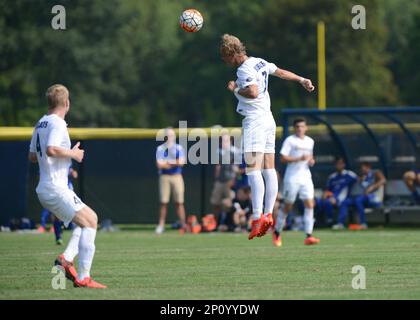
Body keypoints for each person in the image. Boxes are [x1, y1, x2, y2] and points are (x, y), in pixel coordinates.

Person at [220, 34, 315, 240]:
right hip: (268, 120)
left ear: (231, 54)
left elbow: (252, 92)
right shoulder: (259, 62)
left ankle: (256, 218)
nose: (224, 61)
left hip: (254, 120)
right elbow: (280, 73)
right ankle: (268, 214)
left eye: (224, 57)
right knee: (268, 168)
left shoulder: (243, 69)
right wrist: (301, 79)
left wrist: (235, 88)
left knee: (253, 170)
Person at [28, 84, 106, 288]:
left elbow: (33, 156)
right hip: (55, 187)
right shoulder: (58, 123)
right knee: (92, 220)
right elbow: (52, 149)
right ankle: (83, 277)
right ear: (67, 103)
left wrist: (62, 154)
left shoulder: (40, 123)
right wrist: (73, 154)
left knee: (85, 222)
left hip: (46, 187)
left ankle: (66, 258)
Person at [273, 118, 320, 247]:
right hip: (292, 178)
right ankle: (277, 232)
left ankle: (308, 236)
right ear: (294, 128)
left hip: (306, 177)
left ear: (306, 128)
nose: (300, 128)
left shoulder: (310, 141)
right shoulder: (290, 140)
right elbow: (282, 158)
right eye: (298, 126)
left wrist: (311, 161)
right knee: (287, 206)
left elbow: (310, 157)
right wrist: (298, 158)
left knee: (310, 204)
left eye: (302, 126)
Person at [333, 162, 386, 230]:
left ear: (368, 167)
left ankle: (363, 223)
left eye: (363, 168)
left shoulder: (375, 172)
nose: (362, 170)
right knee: (345, 202)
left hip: (374, 198)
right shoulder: (362, 177)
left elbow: (383, 180)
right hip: (362, 198)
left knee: (358, 200)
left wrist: (372, 188)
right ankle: (340, 223)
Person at [155, 128, 187, 234]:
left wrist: (168, 163)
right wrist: (174, 162)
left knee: (179, 202)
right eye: (168, 135)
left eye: (172, 135)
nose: (170, 137)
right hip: (165, 177)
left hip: (177, 176)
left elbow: (181, 162)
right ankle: (161, 225)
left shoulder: (179, 148)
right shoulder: (161, 148)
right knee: (163, 202)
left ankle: (183, 225)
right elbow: (159, 164)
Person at [38, 165, 78, 245]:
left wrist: (73, 173)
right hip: (56, 190)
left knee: (75, 211)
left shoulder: (65, 163)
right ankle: (58, 236)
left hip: (68, 191)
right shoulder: (48, 164)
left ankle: (71, 230)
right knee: (55, 214)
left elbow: (75, 174)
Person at [316, 157, 357, 226]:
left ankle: (332, 222)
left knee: (333, 202)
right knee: (318, 201)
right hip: (331, 196)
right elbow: (327, 189)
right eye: (337, 164)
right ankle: (318, 222)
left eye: (340, 164)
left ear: (344, 165)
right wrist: (326, 194)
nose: (338, 165)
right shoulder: (332, 177)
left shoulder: (349, 175)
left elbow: (359, 182)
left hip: (344, 197)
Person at [210, 133, 239, 227]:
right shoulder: (218, 151)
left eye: (226, 140)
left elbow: (236, 168)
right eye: (222, 141)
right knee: (216, 202)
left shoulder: (234, 151)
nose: (224, 143)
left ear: (230, 141)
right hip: (220, 181)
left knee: (229, 203)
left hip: (230, 181)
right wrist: (216, 179)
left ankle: (230, 223)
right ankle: (216, 224)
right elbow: (217, 167)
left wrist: (234, 180)